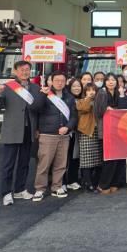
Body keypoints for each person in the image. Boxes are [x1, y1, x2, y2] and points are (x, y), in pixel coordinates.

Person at [0, 60, 40, 206]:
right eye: (21, 69)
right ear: (15, 71)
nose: (25, 72)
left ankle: (20, 189)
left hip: (29, 129)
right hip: (12, 130)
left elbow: (38, 110)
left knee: (24, 162)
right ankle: (6, 192)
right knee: (9, 163)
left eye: (27, 69)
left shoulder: (35, 87)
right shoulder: (7, 87)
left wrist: (37, 128)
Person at [30, 71, 78, 202]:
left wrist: (68, 127)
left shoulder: (69, 97)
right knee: (44, 164)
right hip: (47, 134)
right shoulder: (45, 94)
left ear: (66, 82)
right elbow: (34, 108)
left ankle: (57, 186)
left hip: (64, 135)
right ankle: (40, 189)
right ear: (51, 81)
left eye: (62, 80)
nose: (59, 83)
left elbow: (74, 116)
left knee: (61, 164)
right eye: (57, 80)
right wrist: (42, 95)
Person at [95, 73, 124, 194]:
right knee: (109, 159)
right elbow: (98, 111)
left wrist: (122, 95)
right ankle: (103, 185)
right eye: (108, 80)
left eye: (113, 80)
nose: (111, 82)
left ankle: (114, 183)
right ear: (105, 82)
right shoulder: (102, 93)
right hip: (106, 130)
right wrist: (106, 109)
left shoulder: (118, 93)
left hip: (118, 130)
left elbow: (123, 109)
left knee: (118, 158)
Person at [76, 83, 102, 193]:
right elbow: (84, 108)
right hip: (86, 132)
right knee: (86, 160)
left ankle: (95, 182)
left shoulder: (99, 101)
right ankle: (88, 183)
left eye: (93, 90)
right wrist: (88, 98)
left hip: (98, 132)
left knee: (98, 159)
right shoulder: (81, 101)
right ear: (85, 92)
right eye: (88, 90)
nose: (91, 92)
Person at [62, 78, 83, 192]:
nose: (76, 88)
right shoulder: (66, 99)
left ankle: (72, 180)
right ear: (69, 87)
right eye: (74, 86)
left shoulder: (83, 99)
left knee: (75, 157)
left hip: (79, 132)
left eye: (78, 86)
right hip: (68, 132)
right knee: (64, 158)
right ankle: (62, 182)